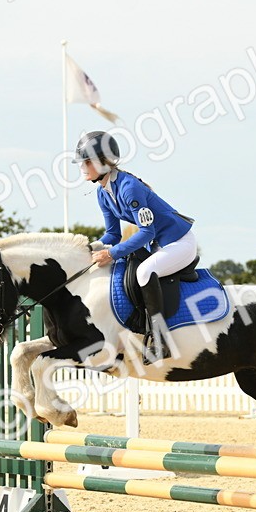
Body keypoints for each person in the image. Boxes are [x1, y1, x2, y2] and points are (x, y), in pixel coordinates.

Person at [75, 130, 196, 364]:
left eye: (86, 161)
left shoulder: (129, 187)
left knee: (144, 272)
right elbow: (113, 234)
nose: (82, 167)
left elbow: (146, 231)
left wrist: (112, 253)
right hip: (158, 245)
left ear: (102, 162)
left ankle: (161, 341)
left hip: (179, 242)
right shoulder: (103, 193)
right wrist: (90, 248)